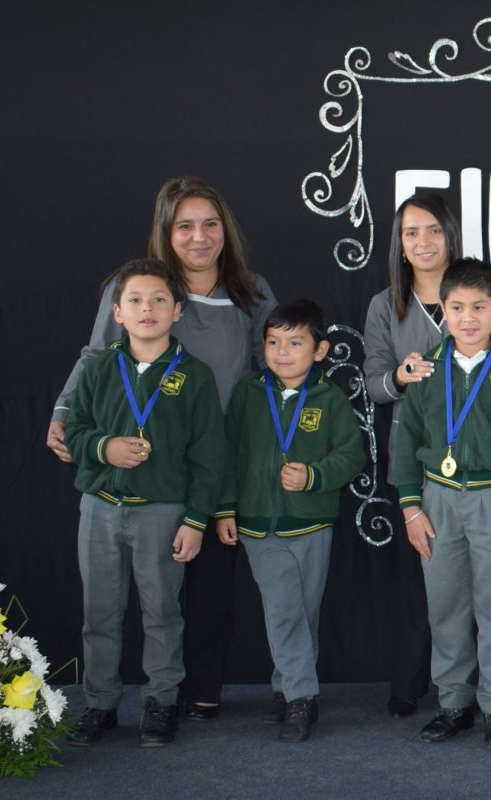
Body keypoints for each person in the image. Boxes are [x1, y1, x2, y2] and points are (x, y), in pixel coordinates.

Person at [47, 176, 276, 721]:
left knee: (210, 588)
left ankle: (195, 691)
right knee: (131, 599)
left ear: (226, 230)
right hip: (143, 465)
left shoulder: (251, 291)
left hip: (213, 460)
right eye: (185, 226)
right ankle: (117, 700)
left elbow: (269, 370)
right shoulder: (138, 286)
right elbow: (96, 355)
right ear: (166, 232)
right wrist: (62, 412)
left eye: (210, 224)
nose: (199, 237)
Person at [362, 192, 491, 719]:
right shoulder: (393, 318)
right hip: (430, 482)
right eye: (411, 232)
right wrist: (401, 377)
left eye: (433, 230)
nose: (422, 241)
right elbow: (379, 393)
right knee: (441, 603)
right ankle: (449, 702)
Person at [63, 258, 228, 747]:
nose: (147, 308)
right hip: (100, 507)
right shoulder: (98, 369)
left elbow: (210, 457)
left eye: (159, 299)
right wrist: (104, 448)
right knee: (99, 613)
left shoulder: (194, 376)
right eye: (135, 300)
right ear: (117, 312)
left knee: (162, 612)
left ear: (177, 310)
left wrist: (196, 520)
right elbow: (74, 429)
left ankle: (161, 702)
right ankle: (100, 703)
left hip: (163, 511)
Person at [394, 259, 491, 750]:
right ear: (442, 309)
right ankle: (454, 704)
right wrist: (410, 508)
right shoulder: (426, 367)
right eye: (457, 307)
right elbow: (407, 441)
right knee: (446, 607)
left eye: (479, 307)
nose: (468, 318)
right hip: (436, 501)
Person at [213, 299, 368, 741]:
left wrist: (314, 475)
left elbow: (352, 456)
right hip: (258, 524)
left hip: (313, 523)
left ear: (319, 350)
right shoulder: (248, 392)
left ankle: (285, 687)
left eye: (295, 343)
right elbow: (227, 455)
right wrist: (224, 508)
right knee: (283, 609)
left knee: (303, 612)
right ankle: (303, 697)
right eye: (273, 342)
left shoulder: (330, 398)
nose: (282, 352)